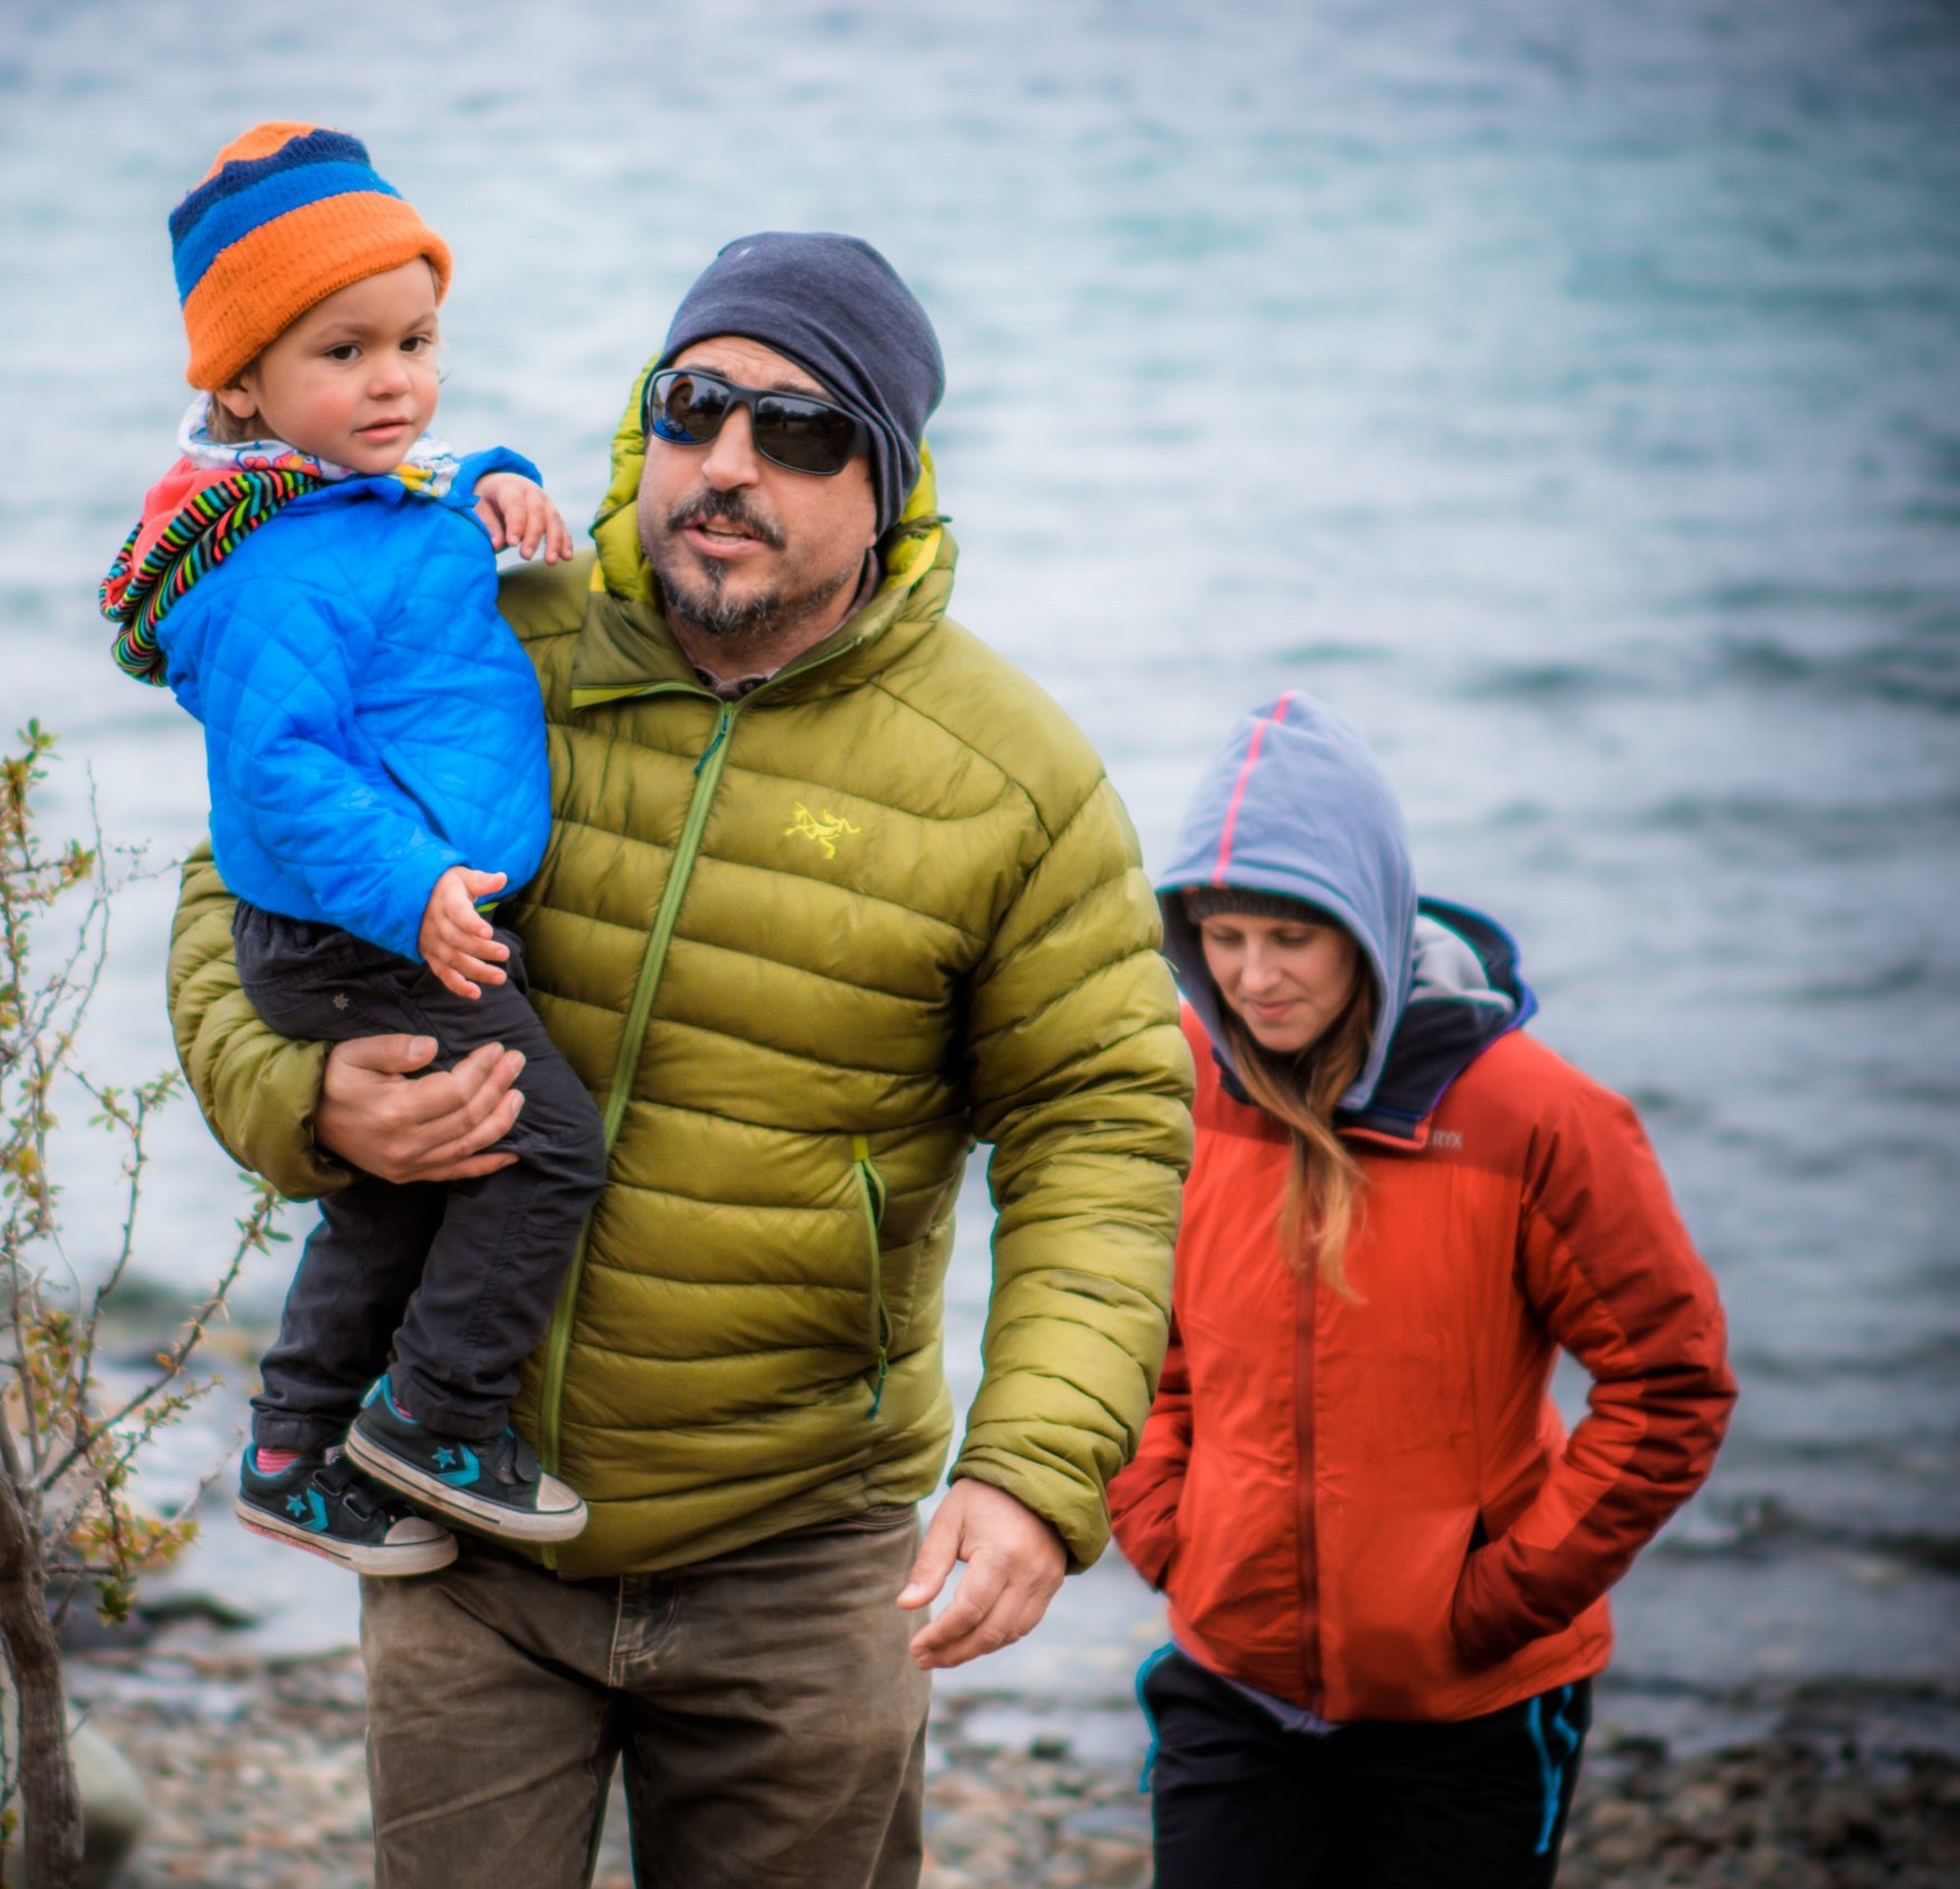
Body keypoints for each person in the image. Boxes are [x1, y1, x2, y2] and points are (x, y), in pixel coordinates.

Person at [164, 231, 1194, 1885]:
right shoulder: (484, 620)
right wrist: (305, 1099)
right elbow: (235, 881)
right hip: (458, 1535)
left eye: (799, 433)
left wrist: (1030, 1469)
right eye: (697, 405)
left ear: (892, 481)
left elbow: (1105, 1132)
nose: (729, 464)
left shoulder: (1010, 776)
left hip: (801, 1565)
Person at [1107, 692, 1737, 1888]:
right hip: (1228, 1680)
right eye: (1221, 937)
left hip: (1472, 1709)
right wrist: (1166, 1525)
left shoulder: (1533, 1116)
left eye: (1289, 938)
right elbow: (1141, 1328)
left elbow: (1670, 1384)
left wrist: (1501, 1597)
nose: (1250, 978)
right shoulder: (1184, 1082)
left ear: (1366, 919)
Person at [102, 122, 604, 1575]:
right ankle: (438, 1421)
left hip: (372, 914)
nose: (392, 381)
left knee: (400, 1191)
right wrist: (416, 888)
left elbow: (427, 473)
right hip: (363, 924)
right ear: (246, 384)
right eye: (345, 353)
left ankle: (291, 1447)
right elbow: (281, 769)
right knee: (546, 1154)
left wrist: (501, 476)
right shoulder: (277, 565)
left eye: (417, 339)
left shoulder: (355, 490)